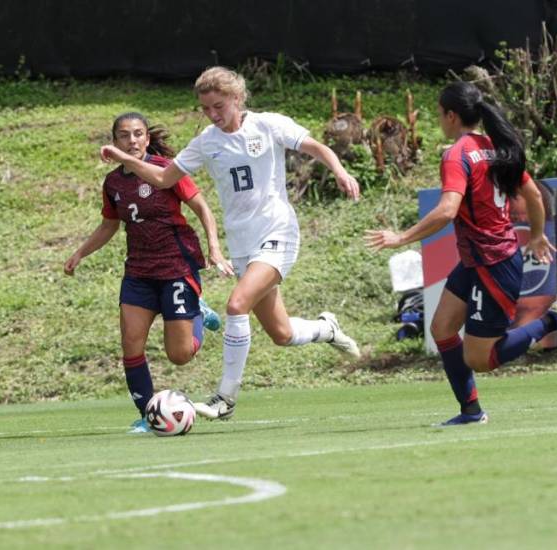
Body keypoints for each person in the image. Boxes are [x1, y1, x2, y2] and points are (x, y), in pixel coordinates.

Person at [99, 67, 362, 420]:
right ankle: (326, 328)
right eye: (206, 108)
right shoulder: (208, 141)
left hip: (277, 232)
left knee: (237, 306)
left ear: (237, 99)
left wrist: (341, 172)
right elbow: (163, 178)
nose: (213, 114)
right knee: (281, 333)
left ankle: (225, 399)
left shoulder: (268, 124)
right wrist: (127, 159)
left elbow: (315, 146)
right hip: (243, 243)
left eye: (218, 106)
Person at [365, 81, 557, 425]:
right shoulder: (495, 147)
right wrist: (535, 236)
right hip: (478, 260)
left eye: (440, 113)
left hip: (494, 263)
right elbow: (533, 196)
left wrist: (402, 237)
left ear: (452, 115)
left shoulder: (457, 154)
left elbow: (446, 210)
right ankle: (471, 412)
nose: (439, 120)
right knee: (442, 328)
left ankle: (553, 320)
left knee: (480, 359)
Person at [65, 112, 223, 433]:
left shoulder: (167, 169)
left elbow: (202, 208)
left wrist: (214, 248)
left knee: (179, 355)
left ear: (147, 139)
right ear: (115, 141)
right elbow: (110, 224)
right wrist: (80, 252)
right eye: (124, 135)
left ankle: (196, 311)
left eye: (138, 134)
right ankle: (147, 415)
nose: (132, 140)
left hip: (176, 265)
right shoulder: (113, 183)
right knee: (130, 343)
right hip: (139, 271)